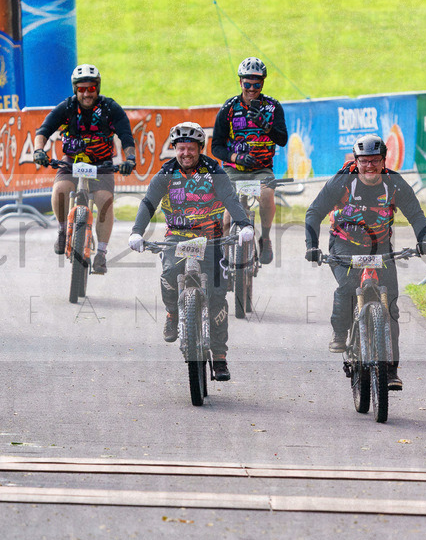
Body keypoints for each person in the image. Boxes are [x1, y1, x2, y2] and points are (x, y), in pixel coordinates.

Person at [304, 134, 426, 390]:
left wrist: (424, 239)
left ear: (384, 161)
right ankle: (340, 333)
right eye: (364, 161)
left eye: (375, 161)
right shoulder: (342, 182)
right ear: (356, 161)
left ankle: (391, 371)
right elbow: (314, 211)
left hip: (380, 247)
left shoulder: (394, 184)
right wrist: (312, 246)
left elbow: (416, 213)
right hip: (344, 244)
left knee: (391, 308)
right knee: (347, 285)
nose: (370, 166)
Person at [127, 122, 255, 381]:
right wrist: (137, 232)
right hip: (177, 238)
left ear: (200, 148)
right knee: (168, 277)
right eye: (181, 148)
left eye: (191, 149)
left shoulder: (214, 172)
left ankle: (219, 358)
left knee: (219, 298)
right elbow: (148, 203)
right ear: (174, 149)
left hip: (212, 239)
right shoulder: (165, 174)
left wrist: (244, 225)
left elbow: (230, 199)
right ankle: (173, 314)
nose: (186, 154)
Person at [33, 64, 136, 275]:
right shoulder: (67, 107)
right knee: (60, 189)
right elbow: (43, 130)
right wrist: (38, 150)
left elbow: (126, 136)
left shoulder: (109, 108)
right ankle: (63, 230)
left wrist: (130, 158)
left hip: (102, 163)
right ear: (75, 90)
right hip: (72, 160)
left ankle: (102, 254)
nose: (86, 93)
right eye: (81, 89)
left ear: (97, 88)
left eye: (91, 88)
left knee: (105, 201)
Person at [211, 57, 288, 266]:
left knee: (265, 194)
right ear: (240, 83)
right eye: (247, 83)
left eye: (257, 84)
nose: (252, 88)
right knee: (227, 215)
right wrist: (236, 157)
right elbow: (215, 146)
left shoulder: (273, 107)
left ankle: (265, 238)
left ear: (262, 83)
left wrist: (266, 126)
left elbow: (282, 140)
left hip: (261, 169)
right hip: (234, 169)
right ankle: (225, 258)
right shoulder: (228, 108)